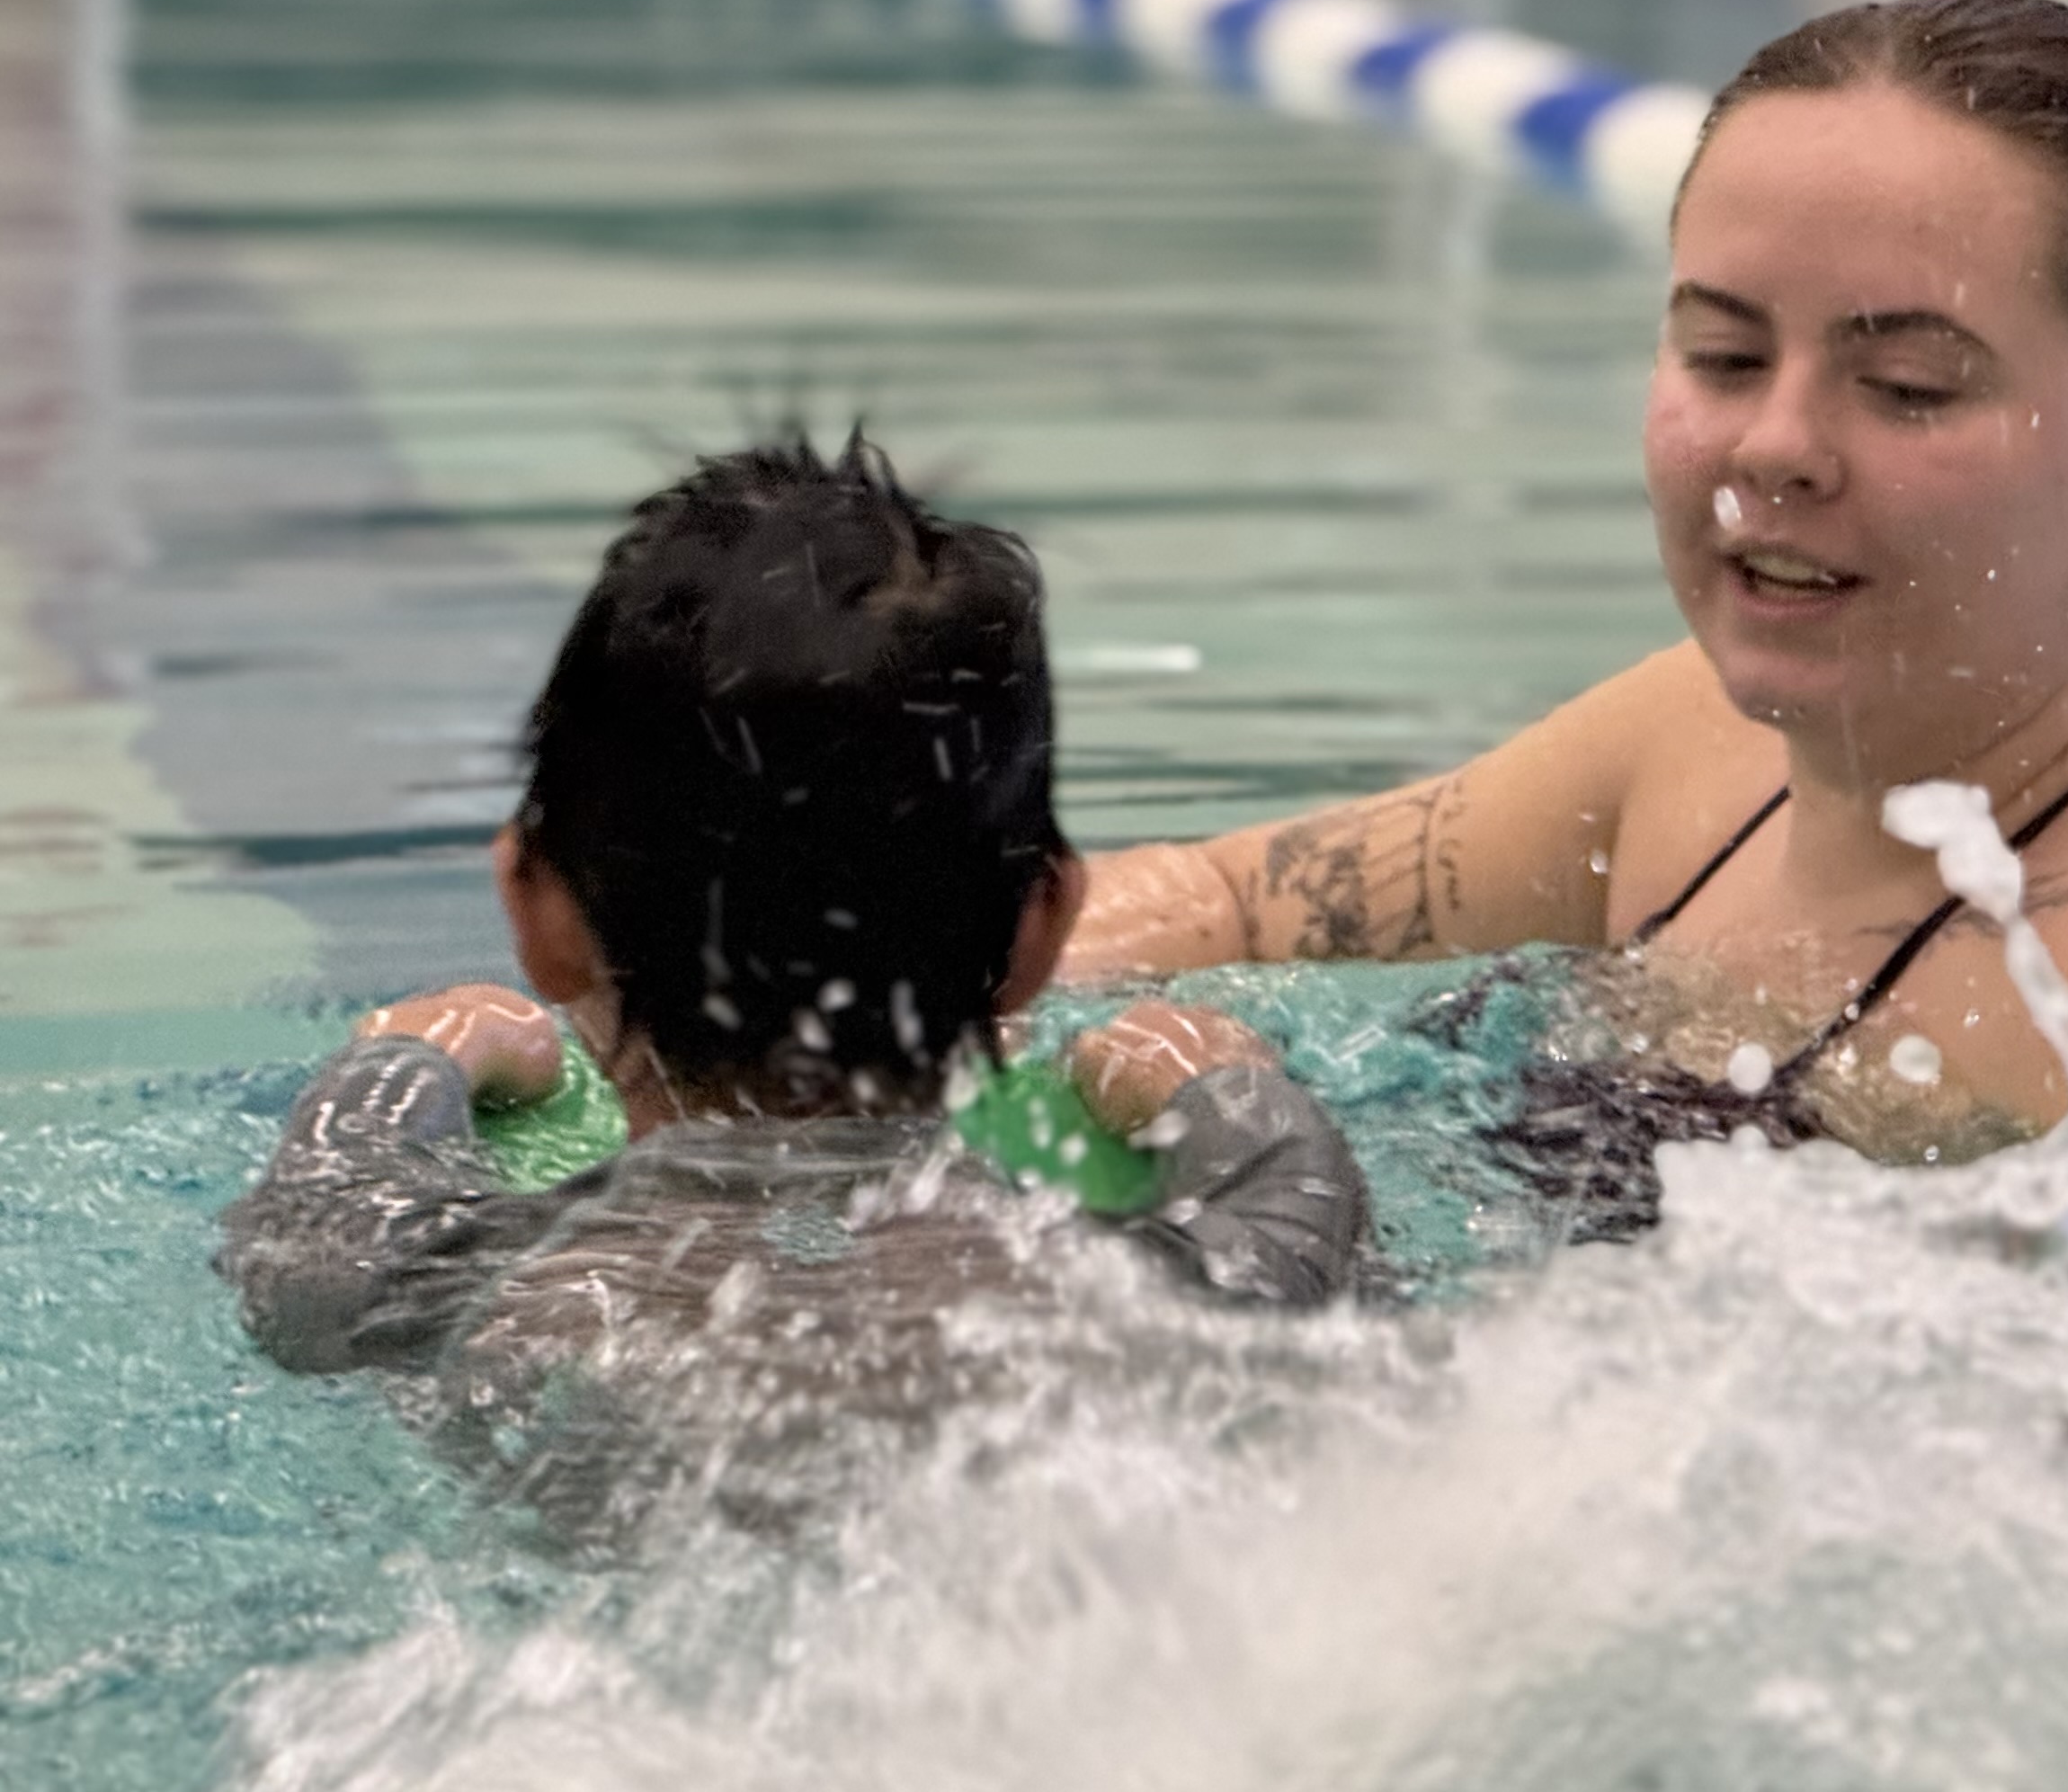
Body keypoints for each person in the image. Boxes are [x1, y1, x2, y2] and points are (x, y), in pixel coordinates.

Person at [1063, 0, 2068, 1201]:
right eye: (1725, 357)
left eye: (1907, 384)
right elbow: (1226, 903)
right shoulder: (1700, 752)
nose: (1774, 445)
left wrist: (1265, 1170)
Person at [219, 435, 1368, 1538]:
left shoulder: (477, 1289)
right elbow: (1306, 1237)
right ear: (1044, 927)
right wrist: (1222, 1085)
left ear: (535, 908)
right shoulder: (1149, 1309)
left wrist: (412, 1057)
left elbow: (306, 1272)